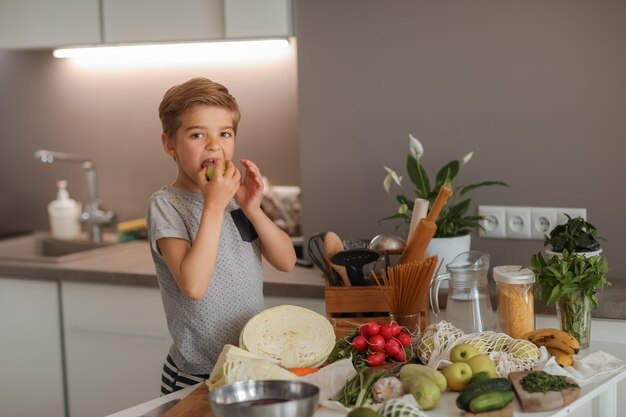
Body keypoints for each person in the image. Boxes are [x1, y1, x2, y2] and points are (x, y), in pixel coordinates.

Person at [146, 77, 296, 394]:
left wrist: (252, 208)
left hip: (248, 365)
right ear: (169, 144)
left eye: (224, 134)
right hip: (196, 374)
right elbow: (194, 285)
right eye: (198, 134)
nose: (214, 145)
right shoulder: (166, 205)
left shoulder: (232, 200)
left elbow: (286, 261)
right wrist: (213, 206)